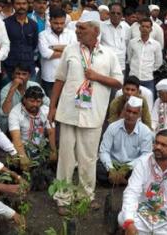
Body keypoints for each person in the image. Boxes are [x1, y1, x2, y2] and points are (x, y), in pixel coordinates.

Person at [48, 12, 123, 210]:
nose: (77, 31)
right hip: (69, 112)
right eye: (77, 27)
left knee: (88, 157)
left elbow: (118, 81)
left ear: (95, 31)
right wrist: (52, 107)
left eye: (82, 28)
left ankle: (85, 196)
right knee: (66, 157)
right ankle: (62, 197)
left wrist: (97, 76)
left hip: (93, 114)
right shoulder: (70, 50)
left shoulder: (109, 54)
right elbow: (59, 79)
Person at [98, 96, 153, 185]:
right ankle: (124, 182)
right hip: (114, 163)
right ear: (124, 111)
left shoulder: (145, 131)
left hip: (132, 167)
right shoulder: (113, 127)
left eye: (134, 113)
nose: (130, 115)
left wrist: (127, 167)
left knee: (145, 169)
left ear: (139, 115)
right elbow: (104, 151)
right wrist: (110, 169)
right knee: (99, 169)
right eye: (128, 111)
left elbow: (146, 155)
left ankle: (116, 181)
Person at [9, 86, 56, 171]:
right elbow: (16, 138)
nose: (35, 104)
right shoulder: (15, 113)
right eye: (31, 101)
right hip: (22, 147)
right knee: (16, 164)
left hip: (41, 147)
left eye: (38, 101)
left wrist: (53, 151)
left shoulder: (46, 110)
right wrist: (22, 156)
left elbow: (51, 132)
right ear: (24, 99)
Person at [0, 64, 49, 132]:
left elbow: (47, 104)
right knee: (3, 119)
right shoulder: (5, 89)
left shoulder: (35, 85)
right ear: (13, 75)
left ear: (29, 76)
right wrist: (13, 88)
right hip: (13, 118)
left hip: (30, 116)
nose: (21, 77)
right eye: (18, 74)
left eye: (24, 74)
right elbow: (5, 112)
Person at [38, 8, 76, 97]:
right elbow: (46, 54)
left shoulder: (72, 34)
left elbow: (74, 51)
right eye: (56, 23)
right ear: (50, 21)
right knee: (51, 104)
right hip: (49, 77)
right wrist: (67, 50)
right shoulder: (42, 35)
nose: (59, 26)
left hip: (67, 77)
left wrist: (54, 47)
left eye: (62, 23)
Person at [3, 0, 38, 79]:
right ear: (13, 5)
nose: (21, 6)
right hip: (10, 67)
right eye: (18, 3)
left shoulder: (33, 24)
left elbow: (34, 44)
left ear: (28, 4)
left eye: (24, 3)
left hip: (28, 67)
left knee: (29, 92)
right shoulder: (6, 23)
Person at [127, 17, 163, 92]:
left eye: (147, 27)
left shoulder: (156, 45)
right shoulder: (132, 42)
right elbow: (130, 59)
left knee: (148, 102)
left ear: (151, 29)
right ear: (139, 28)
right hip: (133, 78)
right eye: (143, 26)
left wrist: (149, 70)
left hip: (148, 79)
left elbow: (158, 63)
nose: (144, 29)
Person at [100, 2, 130, 73]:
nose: (115, 15)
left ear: (122, 15)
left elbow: (128, 45)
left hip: (121, 66)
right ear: (109, 14)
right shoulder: (101, 26)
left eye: (118, 13)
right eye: (113, 13)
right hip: (105, 65)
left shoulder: (127, 28)